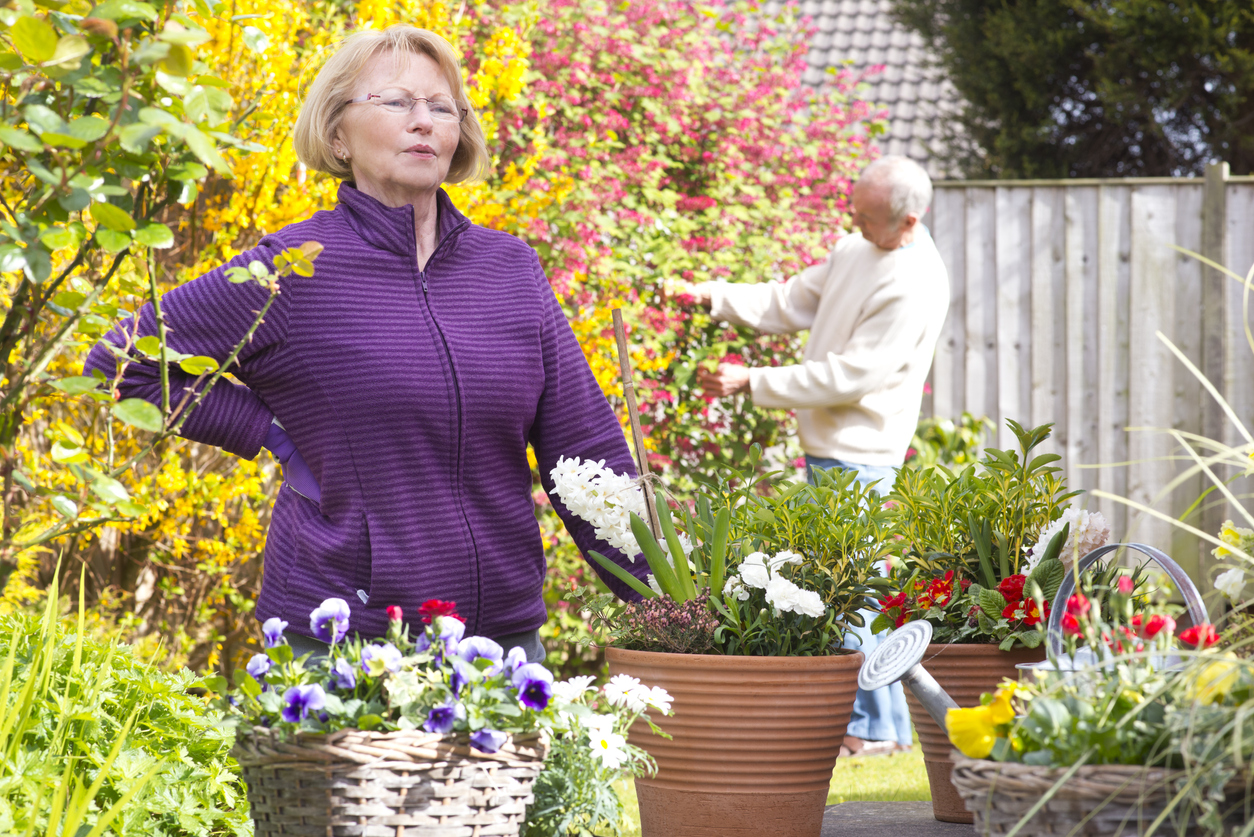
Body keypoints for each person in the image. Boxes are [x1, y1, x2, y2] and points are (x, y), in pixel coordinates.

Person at [84, 25, 647, 663]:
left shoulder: (509, 268)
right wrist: (270, 433)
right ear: (336, 134)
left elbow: (586, 452)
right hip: (346, 643)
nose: (424, 122)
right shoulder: (295, 268)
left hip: (502, 647)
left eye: (442, 107)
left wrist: (669, 606)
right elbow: (119, 363)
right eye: (397, 102)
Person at [686, 155, 949, 754]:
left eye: (865, 216)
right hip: (829, 450)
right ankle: (873, 726)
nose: (852, 221)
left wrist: (750, 382)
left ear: (909, 221)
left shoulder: (915, 282)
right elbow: (789, 301)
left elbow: (849, 377)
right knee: (848, 584)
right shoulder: (857, 250)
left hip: (864, 454)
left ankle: (879, 729)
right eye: (853, 208)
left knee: (856, 589)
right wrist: (709, 297)